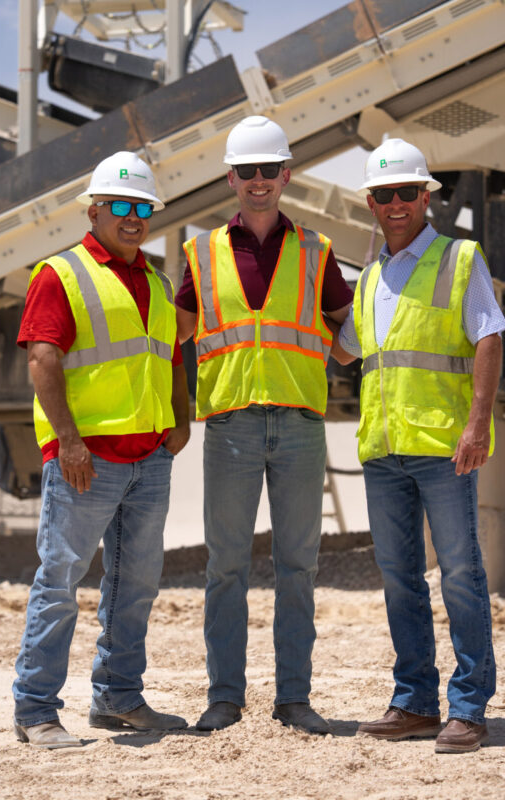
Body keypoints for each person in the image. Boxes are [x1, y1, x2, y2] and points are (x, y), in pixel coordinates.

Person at [175, 116, 353, 734]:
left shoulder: (316, 250)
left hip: (300, 424)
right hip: (230, 427)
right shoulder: (199, 253)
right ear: (231, 177)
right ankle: (224, 697)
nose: (258, 182)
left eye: (268, 170)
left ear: (286, 175)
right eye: (246, 171)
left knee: (298, 566)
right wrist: (173, 416)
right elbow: (172, 341)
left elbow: (349, 336)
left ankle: (294, 700)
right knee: (225, 565)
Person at [332, 138, 505, 754]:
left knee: (460, 573)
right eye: (385, 195)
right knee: (399, 577)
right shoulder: (370, 277)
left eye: (408, 192)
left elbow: (488, 335)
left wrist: (477, 423)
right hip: (384, 452)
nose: (397, 203)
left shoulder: (460, 259)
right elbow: (345, 348)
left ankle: (469, 707)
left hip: (442, 446)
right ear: (372, 205)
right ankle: (414, 703)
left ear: (426, 196)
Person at [11, 151, 191, 748]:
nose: (133, 216)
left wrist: (180, 418)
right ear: (94, 210)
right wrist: (68, 441)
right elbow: (43, 359)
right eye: (120, 205)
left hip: (149, 460)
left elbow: (169, 355)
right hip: (85, 461)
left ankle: (117, 697)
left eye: (143, 207)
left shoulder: (159, 283)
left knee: (135, 585)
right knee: (60, 581)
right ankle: (35, 710)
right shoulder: (59, 274)